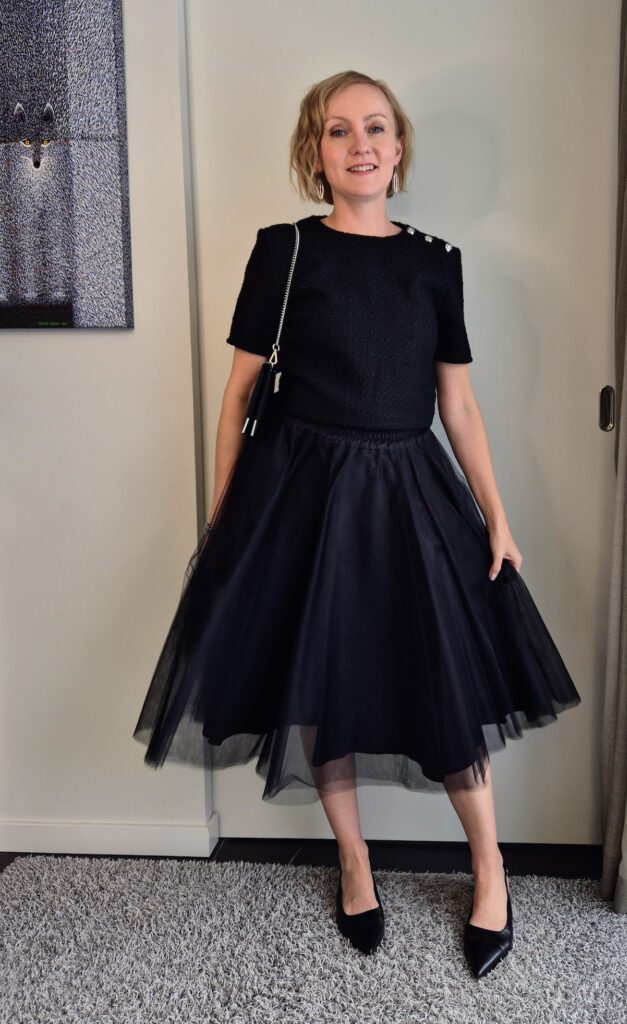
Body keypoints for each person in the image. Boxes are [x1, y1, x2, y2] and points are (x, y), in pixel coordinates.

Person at [132, 70, 581, 978]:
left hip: (409, 493)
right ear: (315, 153)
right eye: (338, 131)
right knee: (321, 682)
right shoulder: (284, 251)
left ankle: (488, 870)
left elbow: (458, 406)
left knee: (440, 685)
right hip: (300, 497)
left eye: (375, 127)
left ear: (398, 148)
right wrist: (224, 519)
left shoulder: (435, 262)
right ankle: (353, 862)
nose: (360, 144)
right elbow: (238, 396)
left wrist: (496, 518)